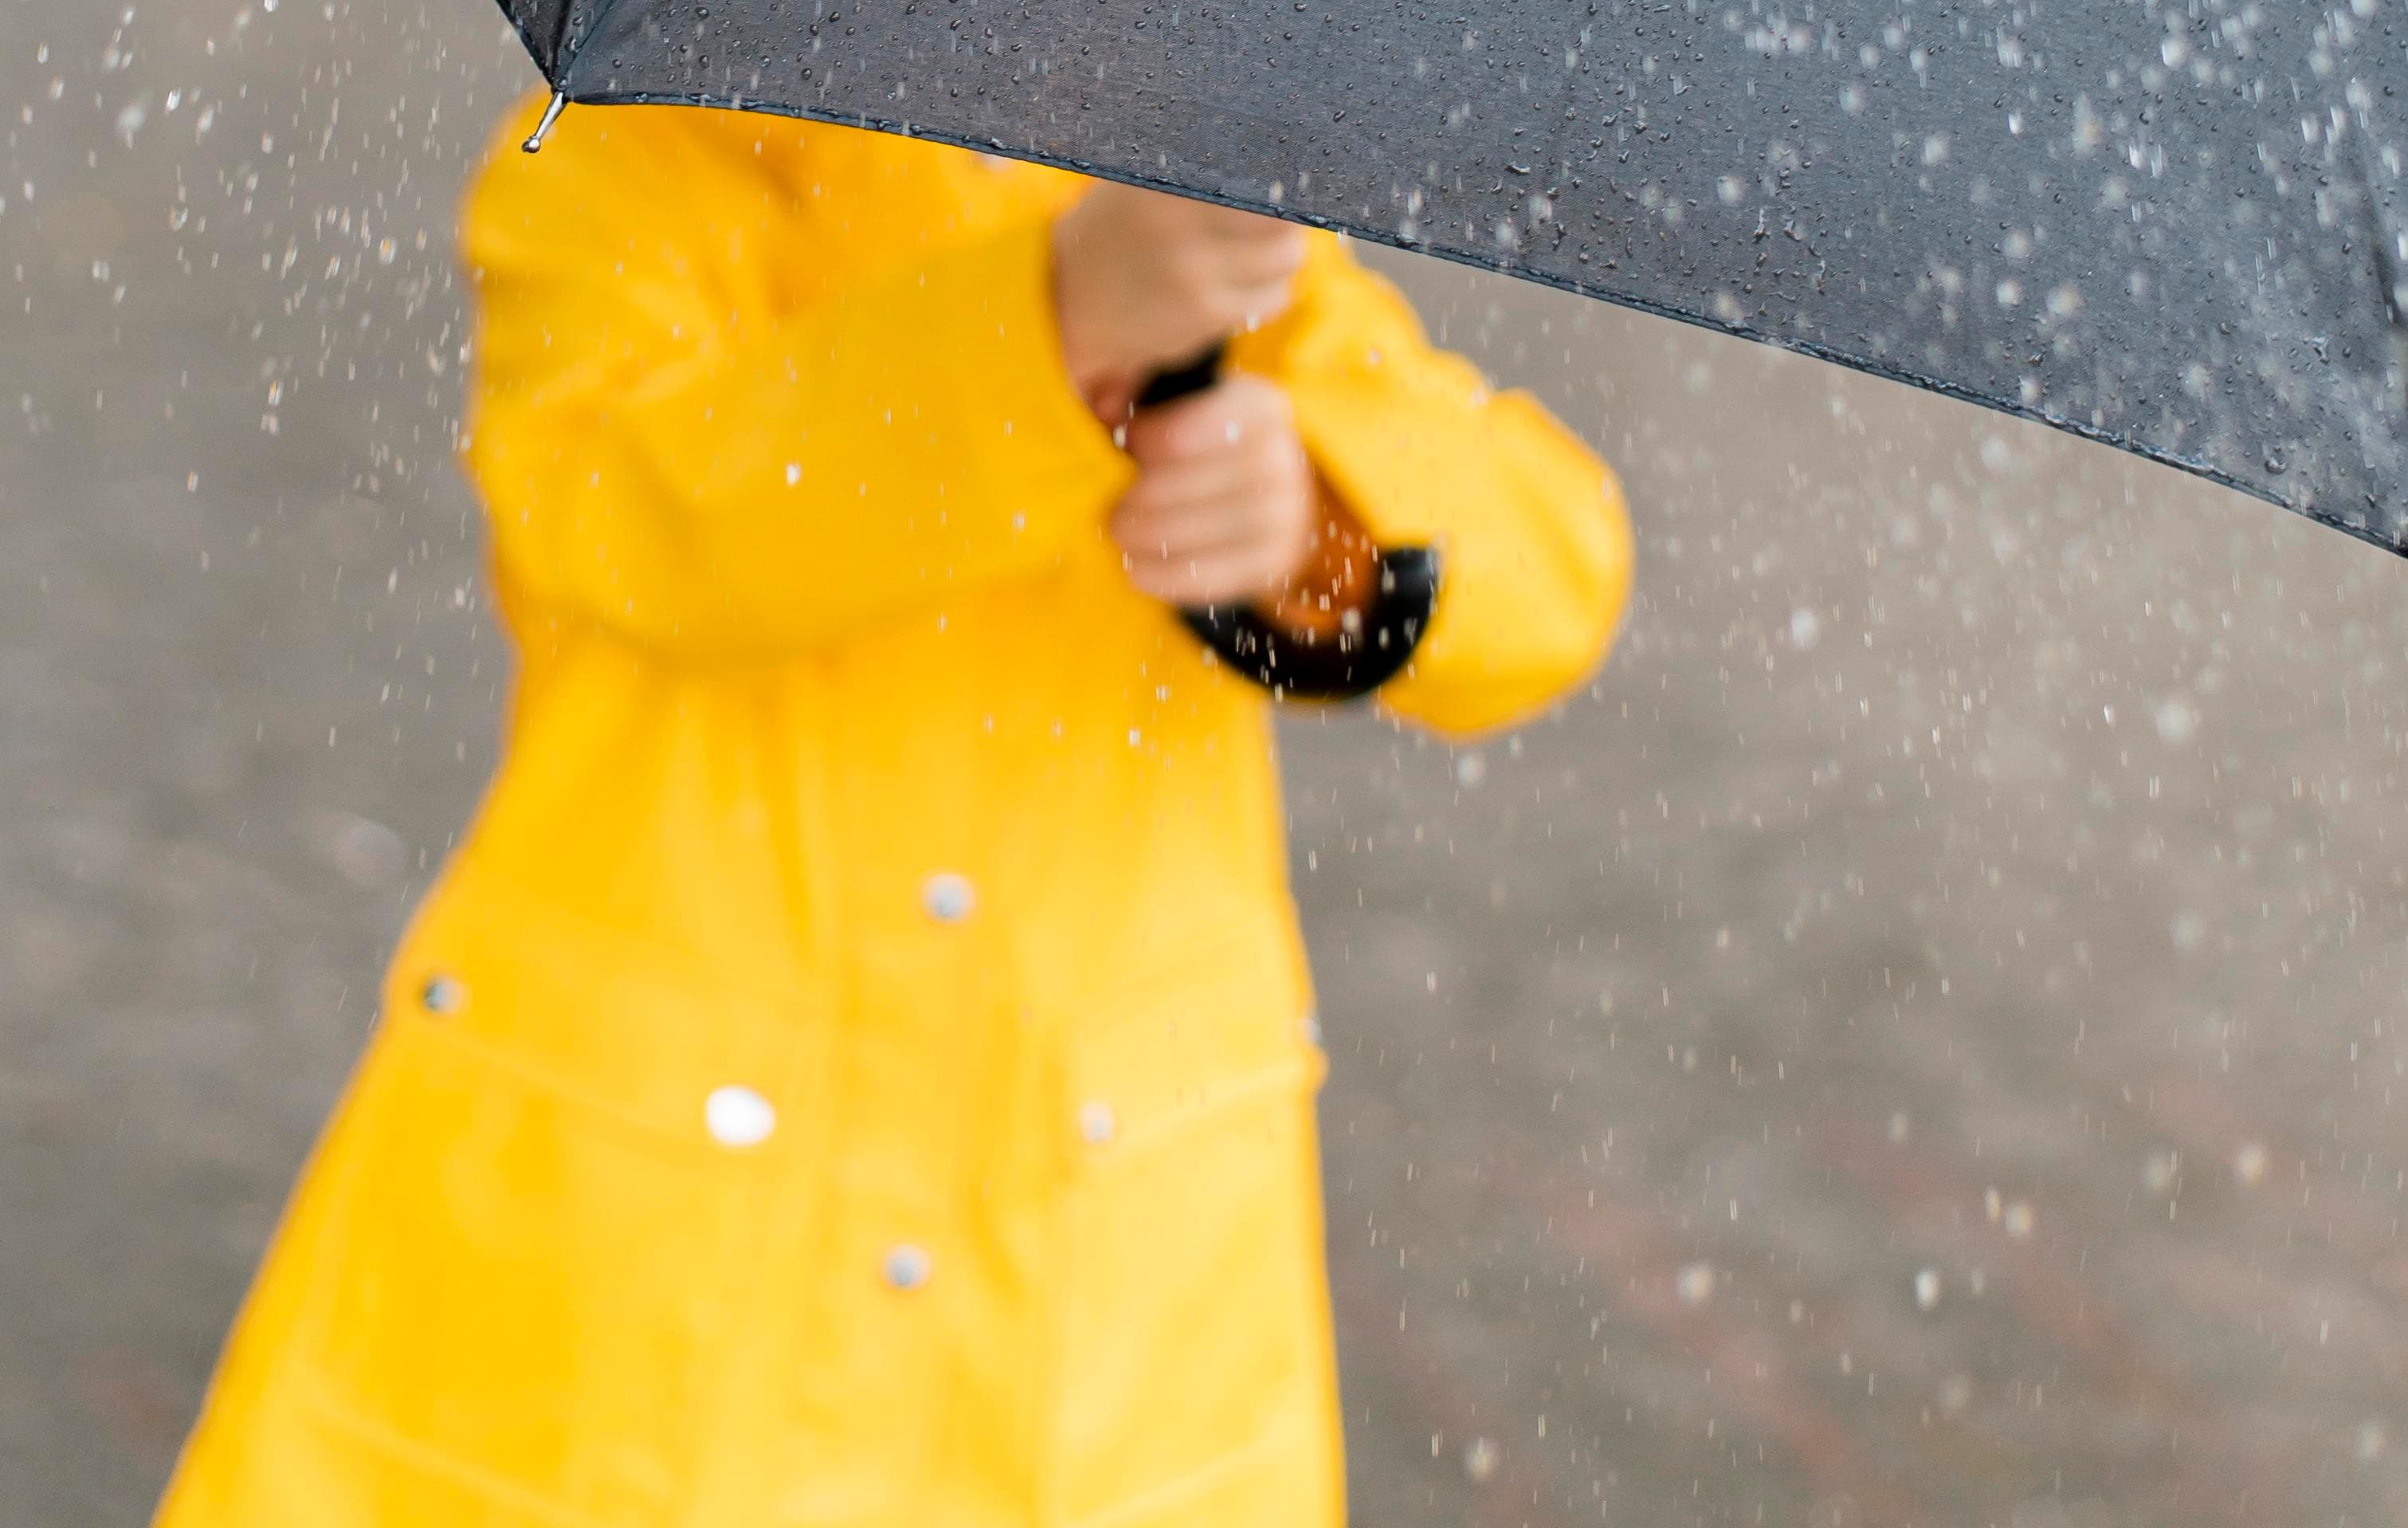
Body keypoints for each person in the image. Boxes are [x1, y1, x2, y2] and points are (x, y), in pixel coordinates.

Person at [156, 93, 1633, 1528]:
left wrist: (1315, 527)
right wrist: (1043, 333)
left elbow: (1547, 572)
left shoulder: (1201, 207)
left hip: (1094, 1260)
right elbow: (636, 523)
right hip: (658, 1228)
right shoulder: (626, 152)